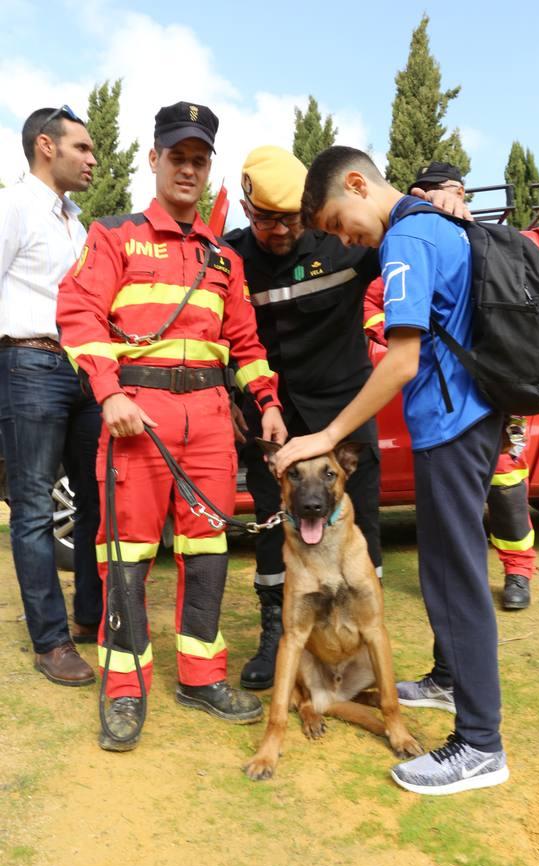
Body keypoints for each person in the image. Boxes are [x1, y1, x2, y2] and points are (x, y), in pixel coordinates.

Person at [275, 146, 510, 796]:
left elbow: (402, 360)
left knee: (454, 577)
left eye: (339, 222)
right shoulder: (437, 223)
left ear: (358, 184)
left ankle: (480, 745)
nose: (346, 240)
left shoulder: (408, 236)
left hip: (452, 422)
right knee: (445, 565)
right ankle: (445, 680)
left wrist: (325, 433)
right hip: (470, 417)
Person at [57, 102, 286, 751]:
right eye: (177, 156)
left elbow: (245, 342)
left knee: (208, 553)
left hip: (212, 422)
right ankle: (125, 688)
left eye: (199, 159)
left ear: (207, 167)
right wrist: (107, 394)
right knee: (126, 558)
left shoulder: (224, 259)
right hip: (138, 418)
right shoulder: (114, 236)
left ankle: (200, 674)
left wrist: (266, 402)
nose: (187, 168)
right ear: (154, 159)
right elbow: (78, 315)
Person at [224, 146, 383, 692]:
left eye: (288, 217)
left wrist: (439, 205)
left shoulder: (343, 242)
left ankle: (366, 636)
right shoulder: (228, 256)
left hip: (343, 414)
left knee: (361, 529)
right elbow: (217, 332)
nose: (277, 229)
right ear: (247, 208)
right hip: (270, 421)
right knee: (273, 528)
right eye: (265, 217)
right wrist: (228, 396)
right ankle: (277, 630)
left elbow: (401, 241)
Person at [0, 105, 102, 687]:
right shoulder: (12, 205)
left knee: (93, 500)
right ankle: (51, 640)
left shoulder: (77, 222)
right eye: (82, 148)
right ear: (46, 146)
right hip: (28, 361)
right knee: (35, 508)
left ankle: (91, 617)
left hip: (84, 370)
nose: (92, 158)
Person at [406, 162, 535, 611]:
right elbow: (379, 309)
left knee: (508, 481)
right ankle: (467, 591)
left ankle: (518, 572)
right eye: (450, 190)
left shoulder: (483, 242)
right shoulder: (414, 246)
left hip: (496, 385)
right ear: (423, 195)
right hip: (451, 401)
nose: (460, 198)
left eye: (463, 190)